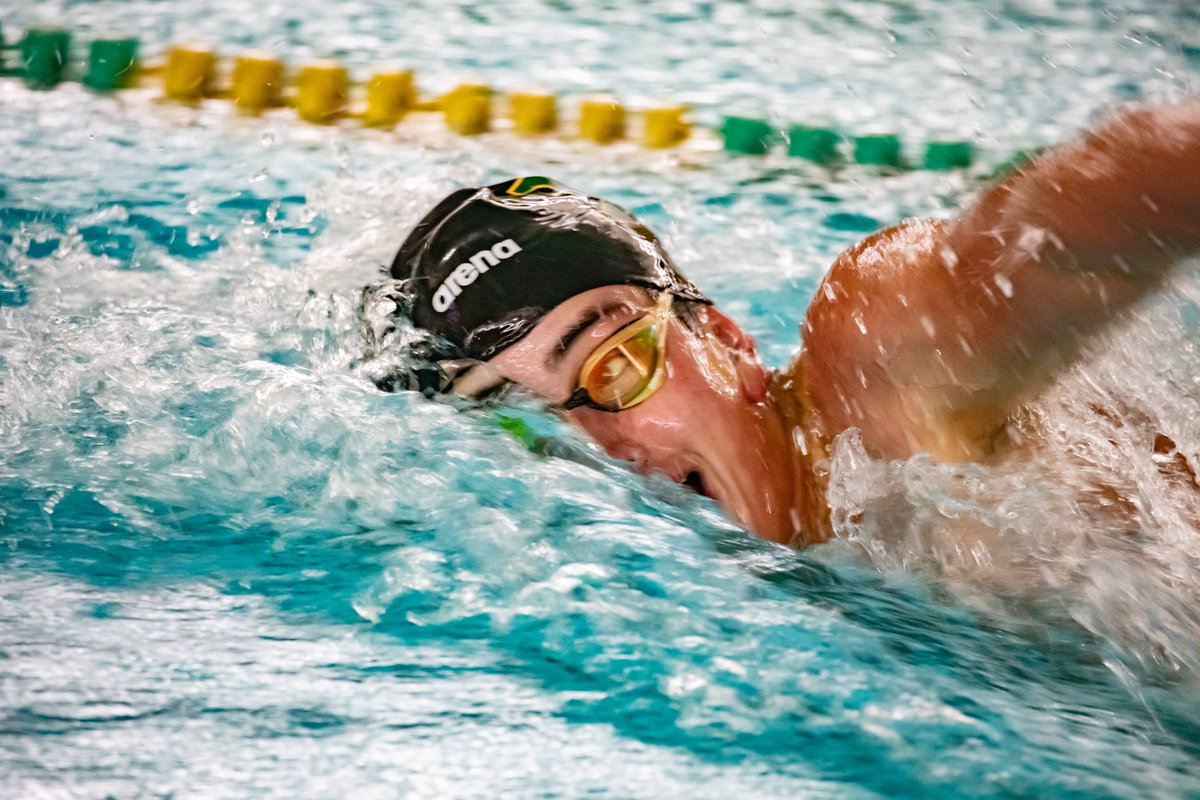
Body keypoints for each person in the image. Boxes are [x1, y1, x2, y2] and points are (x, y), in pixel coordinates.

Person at [384, 103, 1200, 546]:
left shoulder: (878, 369)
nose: (609, 451)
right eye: (531, 425)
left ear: (729, 341)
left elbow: (1095, 215)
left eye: (616, 367)